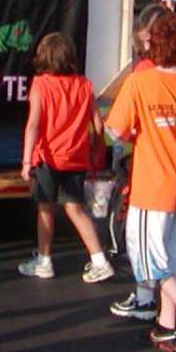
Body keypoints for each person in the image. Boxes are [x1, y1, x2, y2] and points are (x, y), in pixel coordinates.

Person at [105, 11, 176, 351]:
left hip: (152, 184)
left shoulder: (140, 82)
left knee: (148, 260)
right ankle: (167, 326)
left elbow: (114, 132)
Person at [17, 33, 113, 283]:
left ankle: (45, 261)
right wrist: (94, 148)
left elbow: (33, 125)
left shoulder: (41, 84)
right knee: (76, 209)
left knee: (45, 209)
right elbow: (98, 125)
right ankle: (99, 260)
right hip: (76, 157)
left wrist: (27, 161)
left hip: (48, 158)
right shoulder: (85, 85)